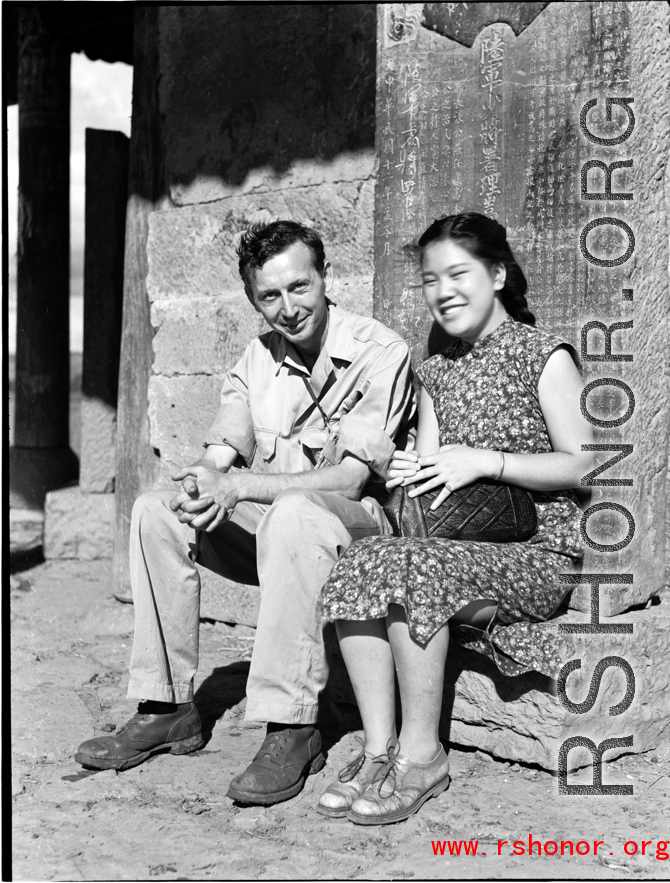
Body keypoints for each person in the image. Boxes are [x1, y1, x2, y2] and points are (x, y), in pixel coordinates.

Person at [75, 220, 416, 807]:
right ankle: (165, 705)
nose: (289, 308)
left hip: (360, 534)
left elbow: (352, 478)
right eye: (270, 297)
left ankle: (291, 726)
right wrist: (205, 482)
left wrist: (239, 485)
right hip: (280, 534)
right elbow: (220, 454)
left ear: (325, 277)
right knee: (157, 510)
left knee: (290, 513)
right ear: (254, 300)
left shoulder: (380, 351)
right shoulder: (255, 360)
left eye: (300, 287)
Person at [316, 211, 594, 825]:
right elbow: (436, 473)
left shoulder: (540, 356)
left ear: (497, 274)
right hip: (458, 541)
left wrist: (487, 461)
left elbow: (587, 465)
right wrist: (414, 468)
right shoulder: (435, 368)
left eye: (458, 273)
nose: (443, 291)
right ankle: (379, 748)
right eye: (429, 279)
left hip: (536, 551)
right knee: (361, 559)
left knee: (414, 571)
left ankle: (424, 757)